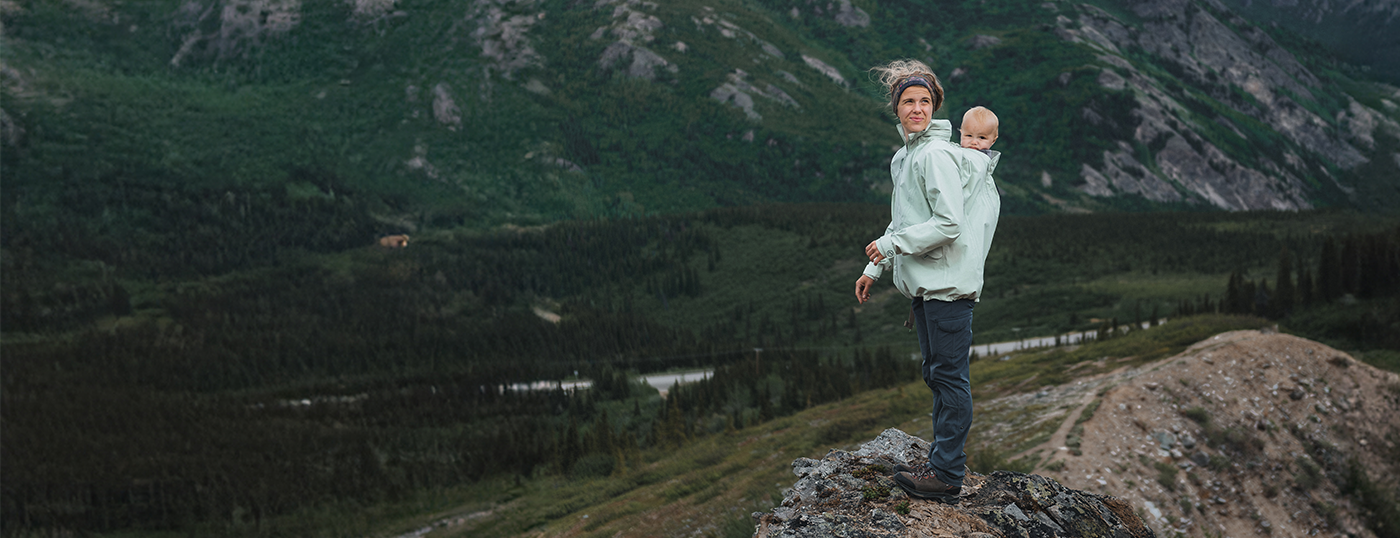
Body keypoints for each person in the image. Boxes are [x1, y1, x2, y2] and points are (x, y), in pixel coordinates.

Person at [853, 60, 1001, 501]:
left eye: (923, 101)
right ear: (896, 110)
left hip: (948, 287)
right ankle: (939, 463)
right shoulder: (906, 156)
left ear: (934, 106)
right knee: (937, 375)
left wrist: (892, 249)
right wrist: (874, 266)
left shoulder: (935, 154)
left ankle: (947, 476)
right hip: (928, 285)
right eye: (907, 101)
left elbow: (948, 224)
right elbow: (905, 220)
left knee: (950, 379)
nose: (916, 108)